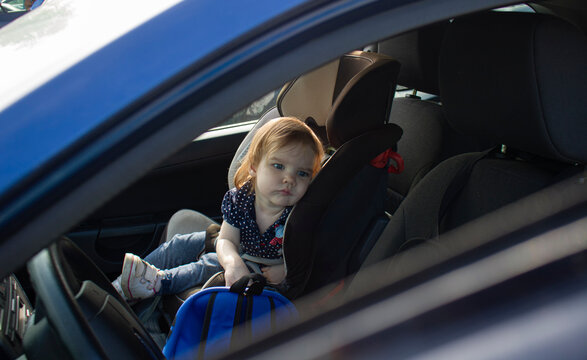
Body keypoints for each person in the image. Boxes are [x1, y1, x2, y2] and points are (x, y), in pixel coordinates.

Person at [114, 117, 324, 301]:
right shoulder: (241, 198)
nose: (289, 179)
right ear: (254, 167)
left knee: (210, 263)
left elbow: (311, 254)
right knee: (180, 244)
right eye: (278, 166)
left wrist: (287, 270)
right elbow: (226, 240)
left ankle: (158, 283)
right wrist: (233, 260)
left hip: (260, 267)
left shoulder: (299, 214)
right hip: (240, 247)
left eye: (302, 174)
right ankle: (125, 281)